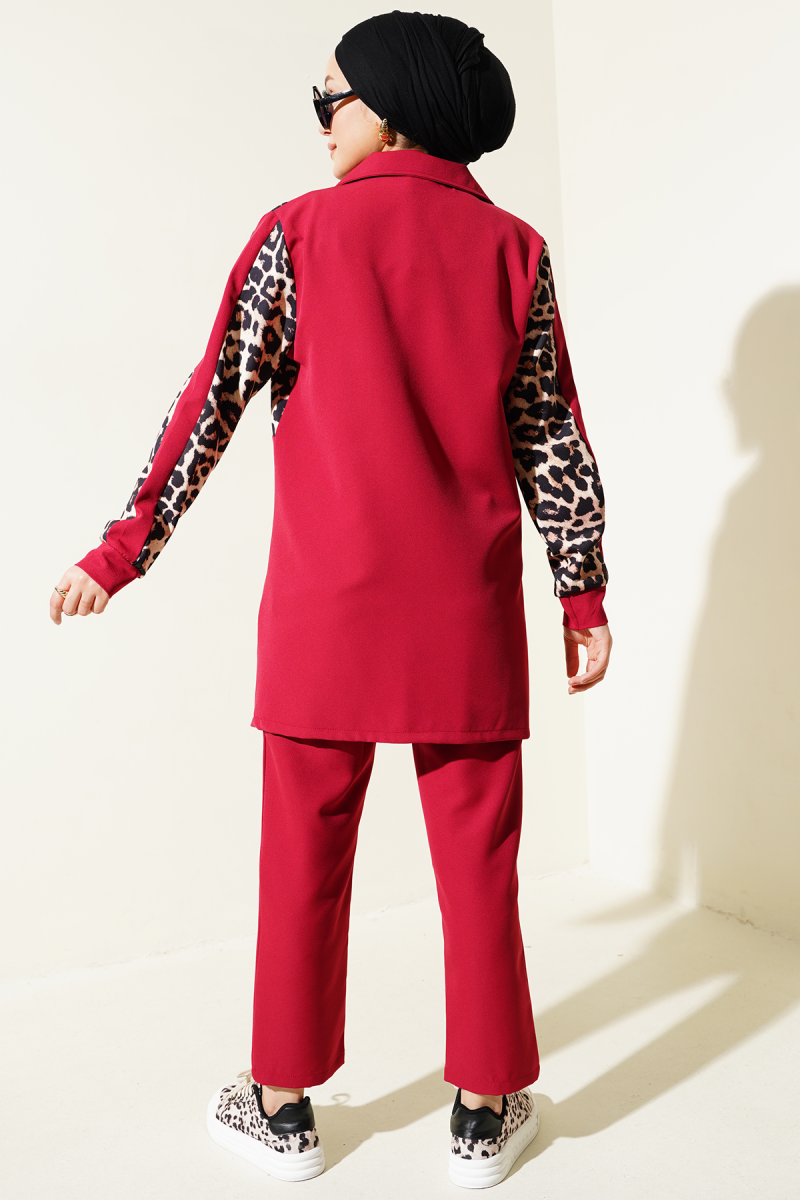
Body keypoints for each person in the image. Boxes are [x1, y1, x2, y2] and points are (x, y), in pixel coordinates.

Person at [49, 10, 612, 1189]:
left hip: (325, 614)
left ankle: (281, 1108)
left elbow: (209, 401)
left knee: (302, 860)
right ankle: (482, 1112)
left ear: (393, 108)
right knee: (479, 865)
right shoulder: (512, 250)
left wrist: (122, 550)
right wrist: (580, 592)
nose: (319, 123)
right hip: (462, 618)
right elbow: (548, 433)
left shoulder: (297, 235)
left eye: (330, 99)